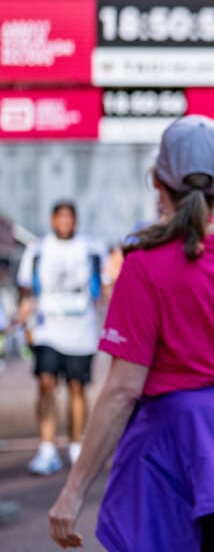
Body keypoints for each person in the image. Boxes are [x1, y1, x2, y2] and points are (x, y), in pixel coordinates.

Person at [48, 115, 214, 552]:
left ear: (157, 182)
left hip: (164, 452)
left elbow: (122, 390)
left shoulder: (144, 262)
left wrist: (73, 491)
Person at [13, 200, 107, 475]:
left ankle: (76, 445)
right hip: (47, 329)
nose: (65, 222)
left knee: (77, 387)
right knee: (46, 384)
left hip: (81, 331)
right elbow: (26, 290)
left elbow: (106, 288)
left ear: (75, 220)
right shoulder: (38, 249)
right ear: (52, 220)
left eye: (70, 218)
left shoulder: (91, 248)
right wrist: (24, 320)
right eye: (60, 218)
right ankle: (47, 448)